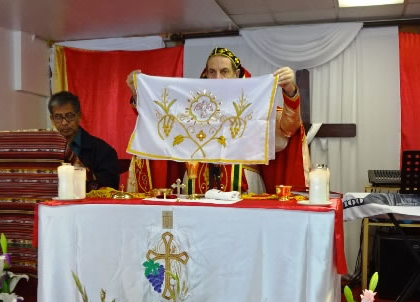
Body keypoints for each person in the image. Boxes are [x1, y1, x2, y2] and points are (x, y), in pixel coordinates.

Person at [126, 47, 309, 193]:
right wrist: (139, 94)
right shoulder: (190, 107)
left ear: (237, 74)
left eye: (224, 71)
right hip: (194, 185)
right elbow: (158, 122)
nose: (217, 77)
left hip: (244, 185)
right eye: (212, 72)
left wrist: (290, 91)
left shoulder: (255, 107)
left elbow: (287, 129)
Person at [49, 91, 120, 190]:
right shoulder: (45, 149)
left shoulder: (104, 151)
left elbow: (111, 187)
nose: (64, 123)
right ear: (52, 119)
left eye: (69, 116)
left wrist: (87, 175)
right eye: (58, 117)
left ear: (79, 116)